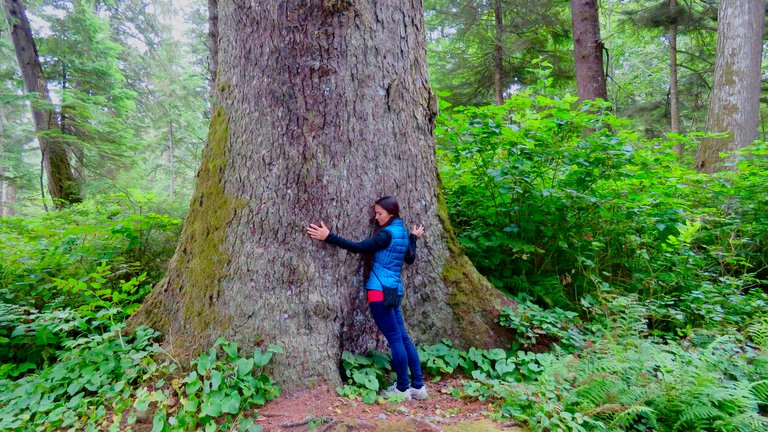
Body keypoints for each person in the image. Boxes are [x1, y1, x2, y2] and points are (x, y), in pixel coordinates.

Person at [306, 196, 428, 400]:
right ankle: (418, 386)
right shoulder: (403, 233)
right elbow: (410, 258)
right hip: (393, 289)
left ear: (391, 213)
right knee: (403, 337)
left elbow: (359, 248)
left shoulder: (386, 235)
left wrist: (328, 236)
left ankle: (402, 389)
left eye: (379, 213)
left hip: (379, 289)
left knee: (396, 339)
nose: (376, 216)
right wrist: (414, 237)